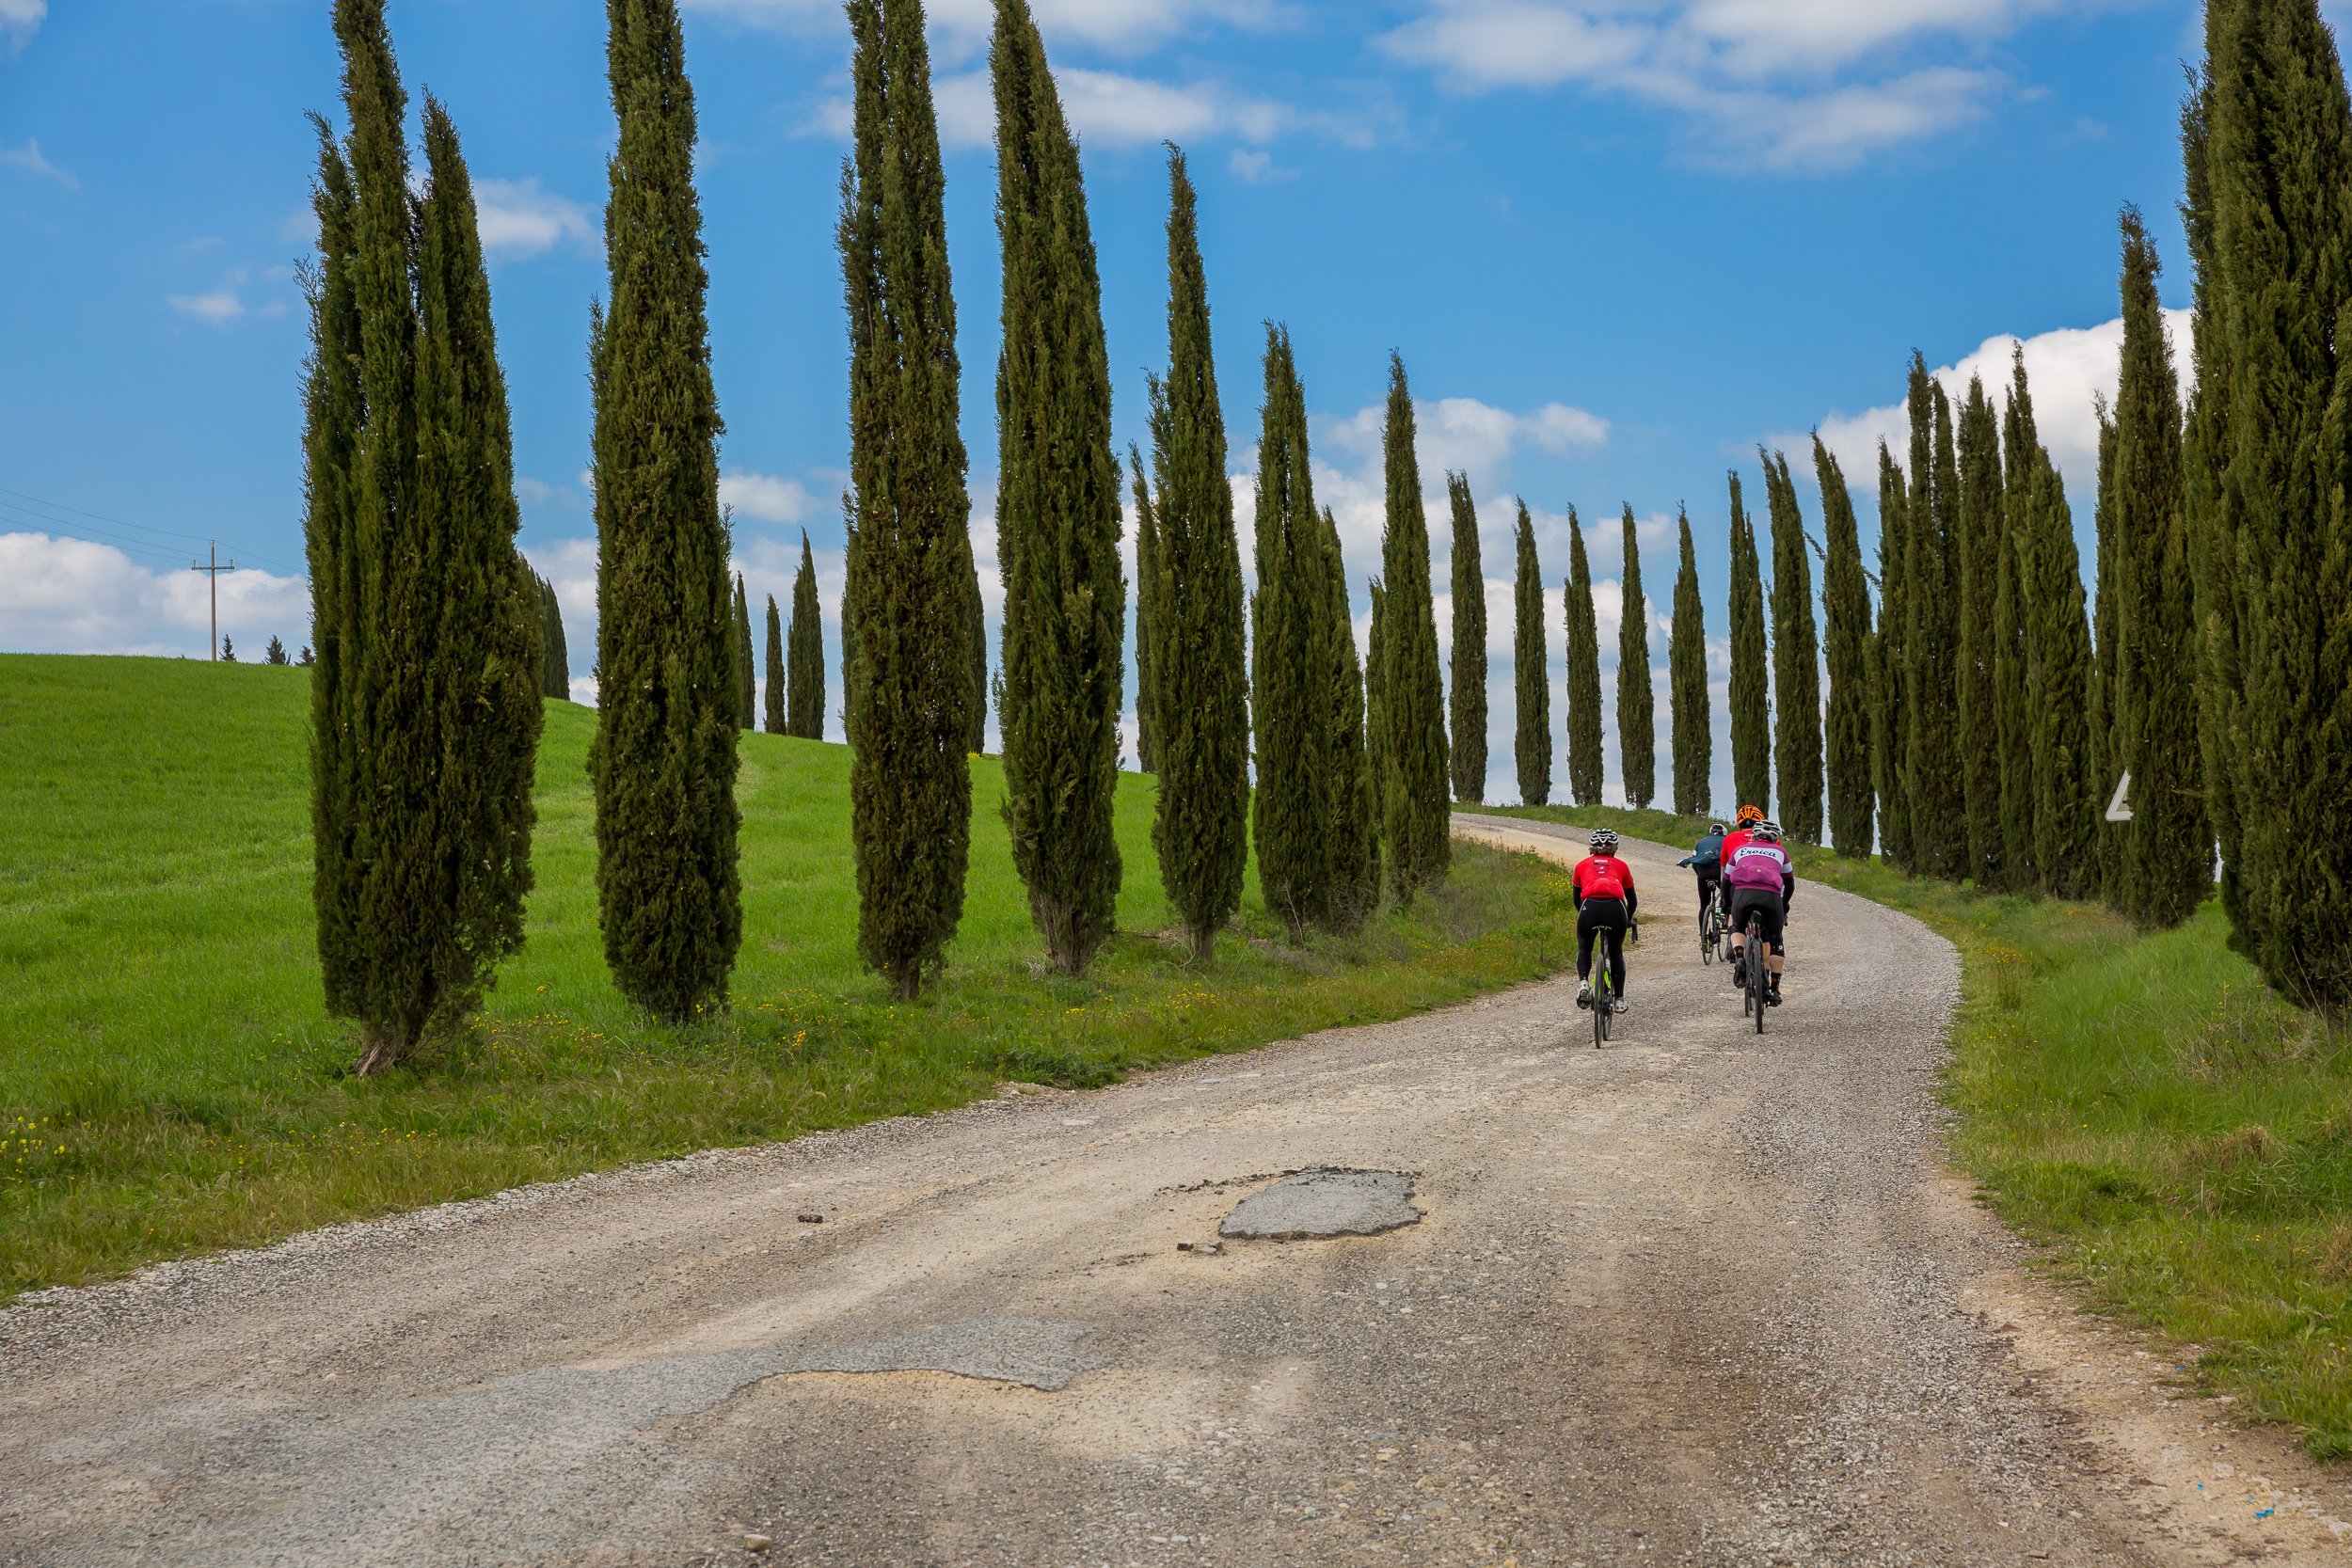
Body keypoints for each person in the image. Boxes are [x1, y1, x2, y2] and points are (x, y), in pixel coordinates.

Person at [1723, 819, 1795, 1005]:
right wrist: (1784, 904)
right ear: (1774, 838)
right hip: (1770, 896)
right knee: (1775, 938)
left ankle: (1740, 958)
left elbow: (1726, 880)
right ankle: (1775, 988)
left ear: (1754, 835)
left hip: (1743, 893)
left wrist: (1727, 903)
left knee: (1737, 925)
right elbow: (1790, 883)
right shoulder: (1781, 852)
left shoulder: (1740, 850)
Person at [1571, 828, 1637, 1012]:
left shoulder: (1581, 865)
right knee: (1616, 953)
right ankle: (1619, 999)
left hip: (1589, 908)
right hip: (1615, 909)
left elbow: (1577, 899)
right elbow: (1632, 900)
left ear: (1591, 848)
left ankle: (1584, 982)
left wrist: (1583, 915)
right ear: (1614, 848)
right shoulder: (1622, 866)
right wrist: (1627, 920)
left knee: (1585, 947)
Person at [1677, 821, 1727, 927]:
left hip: (1703, 872)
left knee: (1704, 905)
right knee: (1726, 899)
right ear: (1724, 833)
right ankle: (1721, 921)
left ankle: (1703, 936)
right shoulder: (1726, 841)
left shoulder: (1701, 841)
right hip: (1719, 872)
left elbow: (1695, 862)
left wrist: (1700, 875)